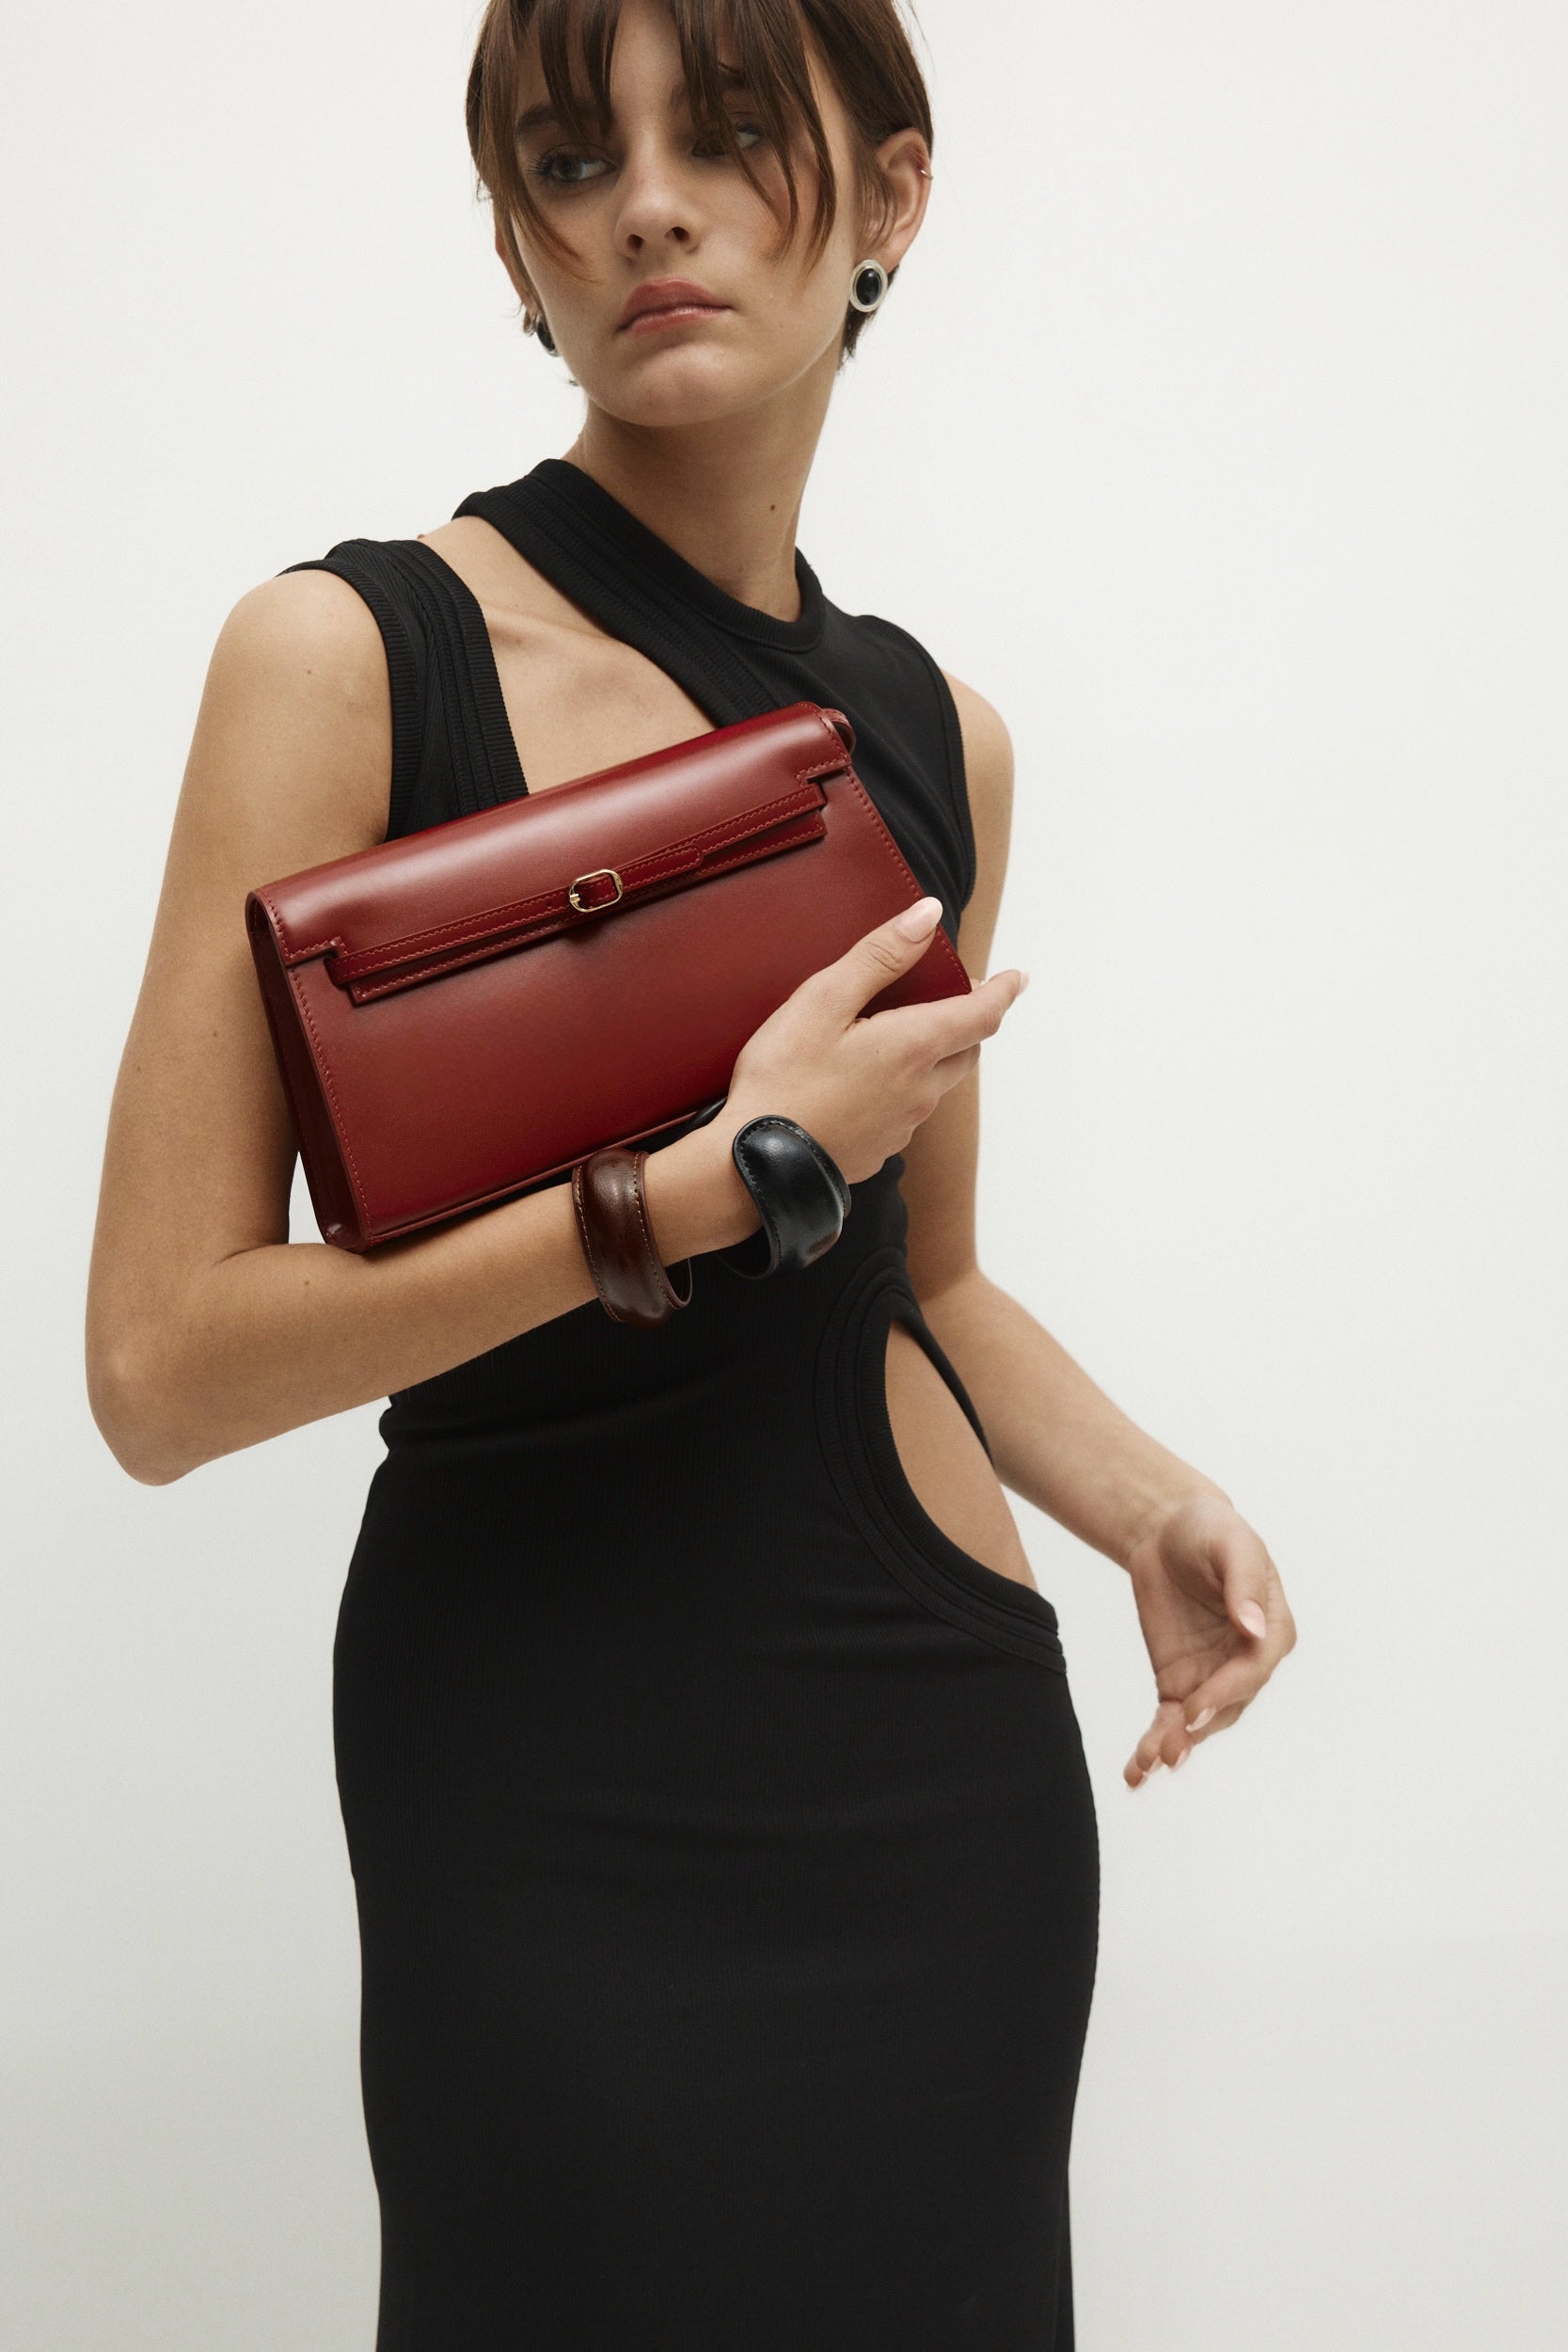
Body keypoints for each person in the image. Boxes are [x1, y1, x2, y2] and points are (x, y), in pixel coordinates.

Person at [85, 0, 1297, 2342]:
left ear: (894, 193)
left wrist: (1149, 1502)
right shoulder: (345, 655)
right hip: (535, 1761)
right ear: (516, 251)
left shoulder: (941, 737)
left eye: (730, 130)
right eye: (566, 156)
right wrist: (690, 1189)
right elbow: (158, 1372)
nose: (646, 198)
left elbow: (930, 1278)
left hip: (925, 1749)